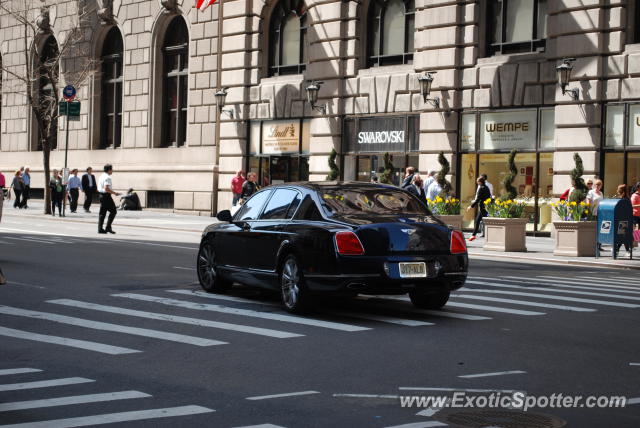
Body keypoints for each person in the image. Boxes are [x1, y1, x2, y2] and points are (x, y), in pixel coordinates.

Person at [467, 176, 492, 241]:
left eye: (477, 181)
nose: (477, 182)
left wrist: (471, 206)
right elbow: (489, 196)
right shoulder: (486, 188)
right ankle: (473, 235)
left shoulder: (481, 188)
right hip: (486, 206)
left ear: (480, 182)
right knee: (480, 221)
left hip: (482, 207)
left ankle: (473, 235)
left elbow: (478, 199)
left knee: (478, 221)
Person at [98, 164, 120, 234]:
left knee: (102, 213)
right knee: (113, 211)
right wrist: (114, 193)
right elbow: (106, 188)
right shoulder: (107, 177)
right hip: (106, 196)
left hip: (101, 195)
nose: (112, 171)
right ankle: (108, 227)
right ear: (109, 170)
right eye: (112, 169)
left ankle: (100, 228)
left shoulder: (101, 176)